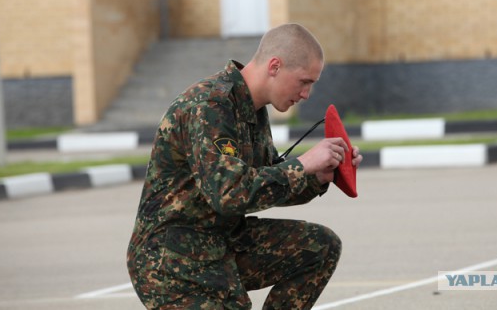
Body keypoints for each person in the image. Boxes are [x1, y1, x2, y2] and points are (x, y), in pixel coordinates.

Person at [126, 23, 363, 309]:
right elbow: (229, 194)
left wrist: (319, 176)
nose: (306, 94)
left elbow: (262, 186)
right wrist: (302, 164)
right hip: (172, 259)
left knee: (320, 246)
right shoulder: (210, 104)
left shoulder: (254, 110)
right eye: (304, 81)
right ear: (275, 66)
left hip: (220, 242)